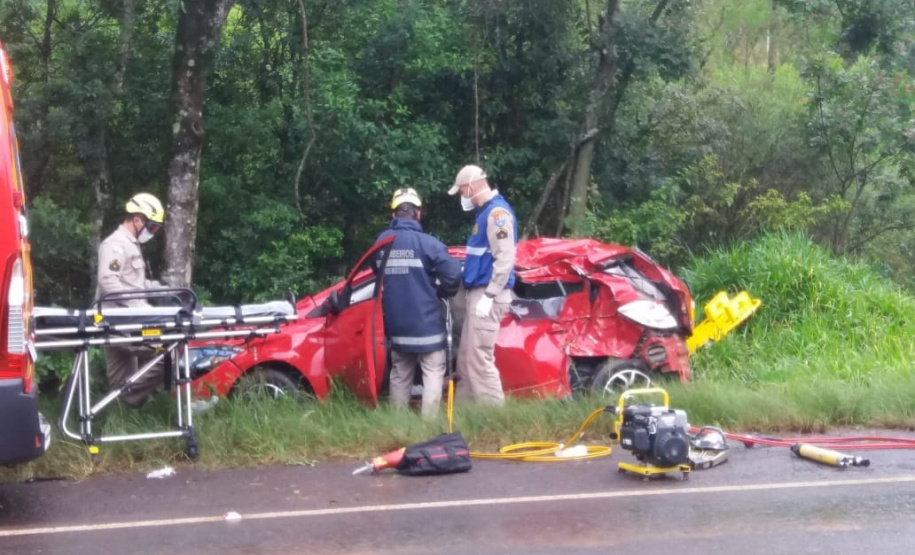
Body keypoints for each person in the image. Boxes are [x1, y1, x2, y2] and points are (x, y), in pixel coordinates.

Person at [375, 187, 461, 418]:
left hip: (398, 326)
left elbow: (376, 275)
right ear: (418, 213)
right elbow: (453, 274)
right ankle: (429, 424)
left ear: (394, 215)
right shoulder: (428, 244)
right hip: (427, 326)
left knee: (400, 372)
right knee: (433, 371)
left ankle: (397, 422)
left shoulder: (381, 242)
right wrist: (443, 291)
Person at [447, 164, 517, 405]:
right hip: (478, 294)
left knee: (479, 360)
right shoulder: (485, 213)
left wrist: (489, 295)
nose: (462, 197)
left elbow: (505, 258)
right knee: (466, 360)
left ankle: (496, 422)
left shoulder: (498, 215)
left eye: (462, 192)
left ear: (472, 187)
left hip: (488, 296)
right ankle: (464, 418)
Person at [95, 192, 167, 407]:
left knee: (121, 385)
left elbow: (135, 284)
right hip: (119, 322)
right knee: (170, 350)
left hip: (125, 320)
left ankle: (132, 405)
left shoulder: (131, 244)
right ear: (137, 220)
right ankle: (137, 400)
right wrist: (138, 308)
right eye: (152, 227)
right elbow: (108, 281)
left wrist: (165, 290)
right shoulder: (116, 245)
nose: (153, 232)